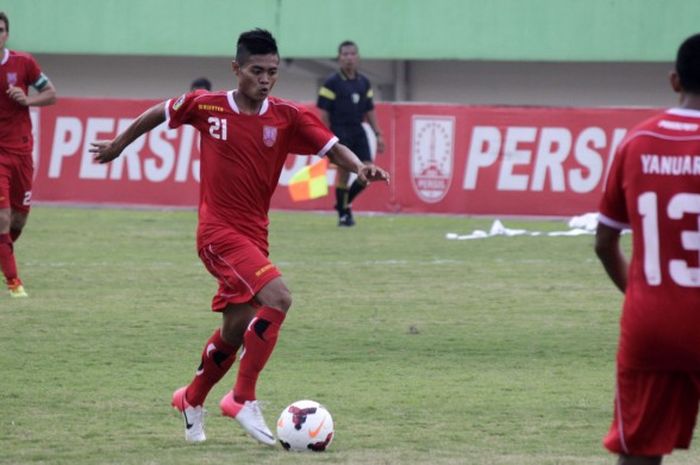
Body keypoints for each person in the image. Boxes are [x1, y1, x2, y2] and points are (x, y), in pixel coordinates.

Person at [90, 29, 389, 446]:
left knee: (236, 329)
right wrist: (120, 146)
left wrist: (359, 167)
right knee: (279, 298)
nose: (265, 79)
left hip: (254, 236)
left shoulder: (287, 115)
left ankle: (191, 399)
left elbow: (332, 147)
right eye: (256, 71)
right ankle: (241, 398)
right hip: (216, 233)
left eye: (272, 72)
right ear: (236, 69)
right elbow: (159, 112)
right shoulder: (206, 105)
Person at [595, 32, 700, 465]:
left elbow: (604, 243)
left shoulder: (636, 142)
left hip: (651, 321)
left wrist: (642, 296)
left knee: (638, 453)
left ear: (674, 81)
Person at [0, 11, 57, 298]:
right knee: (2, 217)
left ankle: (4, 255)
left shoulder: (23, 63)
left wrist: (28, 99)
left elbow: (51, 93)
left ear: (6, 34)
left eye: (0, 29)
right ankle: (14, 283)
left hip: (21, 152)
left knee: (18, 221)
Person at [317, 40, 385, 226]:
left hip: (358, 130)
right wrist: (327, 139)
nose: (349, 58)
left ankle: (343, 205)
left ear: (358, 57)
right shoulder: (331, 82)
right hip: (340, 131)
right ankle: (343, 214)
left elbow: (369, 110)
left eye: (352, 54)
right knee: (344, 173)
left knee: (369, 172)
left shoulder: (364, 82)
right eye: (345, 54)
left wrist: (378, 134)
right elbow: (323, 113)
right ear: (339, 58)